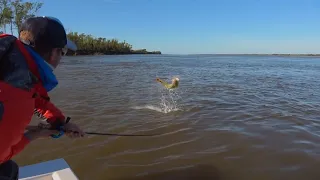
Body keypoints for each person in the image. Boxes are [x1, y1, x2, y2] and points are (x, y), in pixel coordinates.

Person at [0, 16, 85, 179]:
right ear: (54, 52)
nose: (61, 58)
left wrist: (60, 122)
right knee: (7, 170)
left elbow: (34, 94)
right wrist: (35, 135)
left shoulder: (12, 55)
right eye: (63, 52)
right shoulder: (13, 99)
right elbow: (2, 154)